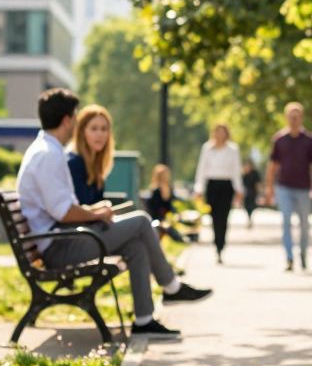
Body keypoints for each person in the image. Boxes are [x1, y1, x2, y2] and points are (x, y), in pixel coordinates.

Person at [15, 89, 211, 341]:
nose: (75, 123)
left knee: (136, 245)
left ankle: (144, 320)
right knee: (142, 221)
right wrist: (97, 214)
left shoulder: (47, 150)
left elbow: (64, 208)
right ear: (66, 120)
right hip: (58, 246)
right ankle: (171, 287)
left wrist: (97, 213)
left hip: (62, 239)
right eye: (75, 117)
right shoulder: (48, 155)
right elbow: (63, 212)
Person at [264, 102, 312, 272]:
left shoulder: (309, 140)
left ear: (301, 118)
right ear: (286, 118)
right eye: (291, 117)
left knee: (304, 224)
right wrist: (269, 187)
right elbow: (272, 165)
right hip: (284, 188)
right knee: (286, 222)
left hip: (304, 188)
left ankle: (303, 254)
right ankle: (289, 258)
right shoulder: (279, 139)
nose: (294, 120)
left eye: (296, 117)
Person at [193, 123, 243, 264]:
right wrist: (199, 189)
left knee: (224, 216)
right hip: (212, 185)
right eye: (217, 132)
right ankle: (217, 244)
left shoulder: (233, 149)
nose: (220, 135)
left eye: (222, 132)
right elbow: (202, 169)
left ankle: (221, 245)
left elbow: (236, 170)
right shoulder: (207, 148)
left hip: (226, 185)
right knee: (214, 217)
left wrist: (239, 189)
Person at [66, 104, 112, 207]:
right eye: (94, 129)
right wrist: (101, 207)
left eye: (104, 129)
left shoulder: (96, 165)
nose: (100, 134)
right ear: (82, 132)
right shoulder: (73, 164)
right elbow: (78, 207)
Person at [145, 164, 186, 244]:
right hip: (158, 219)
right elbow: (155, 210)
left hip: (168, 217)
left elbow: (171, 205)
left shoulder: (169, 189)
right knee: (169, 228)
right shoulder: (155, 191)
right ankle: (181, 240)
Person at [242, 162, 261, 228]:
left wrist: (259, 193)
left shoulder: (255, 173)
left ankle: (250, 219)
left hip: (253, 193)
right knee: (246, 206)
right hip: (246, 193)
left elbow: (257, 184)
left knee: (251, 206)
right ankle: (249, 219)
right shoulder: (244, 174)